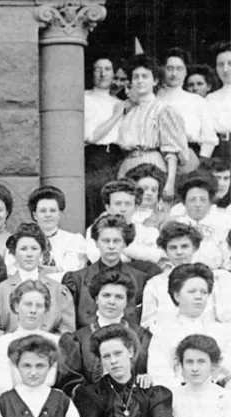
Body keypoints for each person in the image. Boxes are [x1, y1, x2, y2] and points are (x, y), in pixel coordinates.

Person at [91, 55, 185, 195]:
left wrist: (169, 184)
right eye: (136, 77)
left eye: (145, 76)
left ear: (155, 81)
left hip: (152, 164)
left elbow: (172, 152)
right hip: (127, 165)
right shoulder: (128, 110)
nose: (140, 81)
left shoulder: (163, 109)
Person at [144, 263, 231, 391]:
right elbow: (159, 374)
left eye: (204, 292)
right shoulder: (163, 332)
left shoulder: (221, 331)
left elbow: (226, 369)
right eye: (191, 291)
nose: (199, 296)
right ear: (176, 295)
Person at [63, 214, 158, 327]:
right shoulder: (76, 280)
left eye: (116, 241)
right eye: (106, 241)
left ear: (125, 243)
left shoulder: (141, 279)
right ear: (96, 242)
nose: (111, 246)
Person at [0, 223, 76, 335]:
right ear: (14, 253)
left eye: (34, 249)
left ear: (42, 252)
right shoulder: (0, 291)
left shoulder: (59, 290)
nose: (29, 254)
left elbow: (67, 330)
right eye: (23, 249)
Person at [142, 222, 231, 325]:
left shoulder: (219, 278)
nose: (179, 252)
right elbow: (147, 324)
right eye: (173, 248)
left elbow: (227, 319)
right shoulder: (154, 284)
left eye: (184, 246)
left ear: (194, 248)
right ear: (165, 251)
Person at [158, 48, 217, 174]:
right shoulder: (153, 98)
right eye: (169, 68)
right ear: (162, 69)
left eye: (179, 69)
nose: (174, 74)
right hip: (157, 158)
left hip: (187, 159)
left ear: (186, 72)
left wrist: (201, 164)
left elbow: (209, 138)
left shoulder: (197, 101)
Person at [85, 55, 125, 224]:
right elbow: (92, 136)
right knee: (96, 201)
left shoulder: (118, 102)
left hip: (117, 158)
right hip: (96, 158)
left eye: (107, 69)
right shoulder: (85, 98)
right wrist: (117, 115)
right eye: (98, 69)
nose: (103, 74)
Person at [27, 185, 88, 275]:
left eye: (52, 210)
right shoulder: (23, 241)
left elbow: (74, 268)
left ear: (60, 214)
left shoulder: (74, 240)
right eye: (43, 211)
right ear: (35, 215)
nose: (48, 215)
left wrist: (54, 270)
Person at [208, 42, 231, 163]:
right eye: (221, 64)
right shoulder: (211, 99)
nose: (225, 69)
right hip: (219, 151)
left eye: (230, 63)